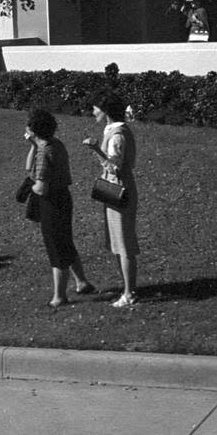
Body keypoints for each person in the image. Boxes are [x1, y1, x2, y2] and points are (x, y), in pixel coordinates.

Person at [24, 107, 95, 307]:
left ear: (34, 129)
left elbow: (42, 187)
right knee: (65, 243)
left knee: (56, 249)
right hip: (63, 199)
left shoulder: (45, 150)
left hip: (52, 203)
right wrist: (32, 145)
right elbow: (29, 168)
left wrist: (30, 188)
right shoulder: (54, 144)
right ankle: (82, 282)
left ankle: (59, 296)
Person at [82, 92, 140, 307]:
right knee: (117, 241)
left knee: (124, 243)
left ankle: (129, 293)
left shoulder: (117, 135)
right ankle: (126, 288)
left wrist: (96, 149)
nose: (93, 112)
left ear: (105, 111)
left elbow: (115, 167)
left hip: (120, 190)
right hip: (114, 190)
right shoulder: (112, 131)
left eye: (96, 108)